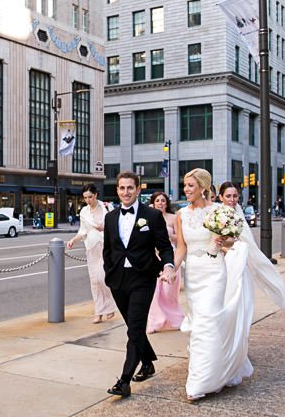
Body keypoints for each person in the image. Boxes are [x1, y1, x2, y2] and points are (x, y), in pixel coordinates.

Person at [170, 170, 285, 402]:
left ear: (203, 187)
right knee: (200, 324)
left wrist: (223, 240)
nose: (186, 189)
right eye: (185, 185)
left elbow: (232, 239)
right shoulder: (181, 214)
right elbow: (182, 248)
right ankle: (218, 368)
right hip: (193, 275)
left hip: (215, 272)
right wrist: (170, 269)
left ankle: (199, 381)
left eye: (190, 185)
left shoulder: (220, 211)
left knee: (207, 321)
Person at [102, 170, 175, 398]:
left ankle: (124, 381)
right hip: (118, 279)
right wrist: (109, 270)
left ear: (138, 189)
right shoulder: (110, 217)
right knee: (133, 325)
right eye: (122, 188)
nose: (126, 192)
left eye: (130, 188)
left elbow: (164, 246)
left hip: (143, 278)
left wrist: (168, 266)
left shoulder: (152, 215)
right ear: (117, 190)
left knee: (135, 328)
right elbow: (108, 249)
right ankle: (147, 362)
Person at [67, 185, 117, 324]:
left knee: (103, 278)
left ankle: (110, 307)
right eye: (85, 198)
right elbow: (83, 231)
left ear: (96, 195)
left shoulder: (107, 207)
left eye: (90, 197)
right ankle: (99, 312)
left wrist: (104, 228)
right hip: (91, 247)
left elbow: (116, 226)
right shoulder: (84, 211)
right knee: (94, 281)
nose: (88, 200)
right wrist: (73, 240)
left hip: (107, 247)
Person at [146, 191, 184, 333]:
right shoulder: (149, 217)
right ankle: (154, 322)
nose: (160, 203)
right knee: (154, 292)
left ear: (167, 203)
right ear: (153, 203)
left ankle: (175, 319)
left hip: (170, 256)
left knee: (169, 292)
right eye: (157, 201)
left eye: (163, 201)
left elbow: (180, 239)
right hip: (154, 256)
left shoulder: (173, 218)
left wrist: (167, 234)